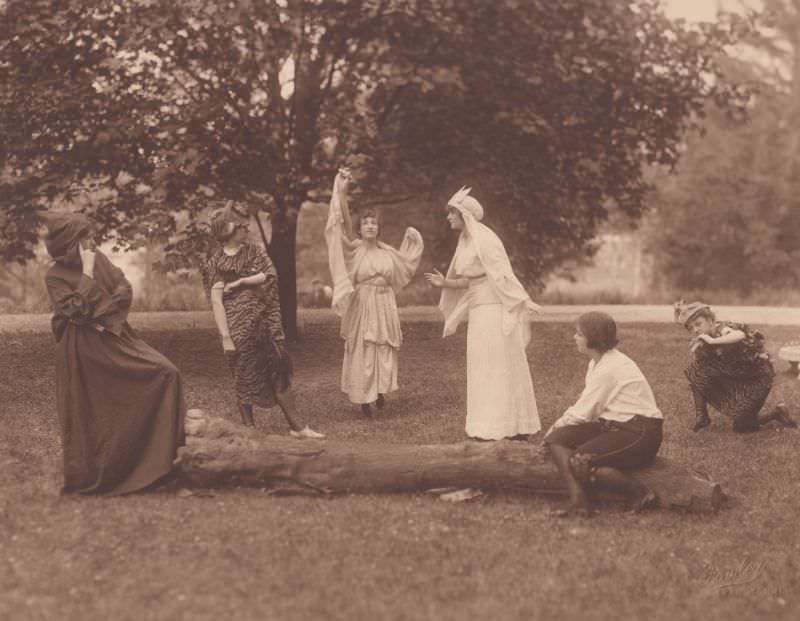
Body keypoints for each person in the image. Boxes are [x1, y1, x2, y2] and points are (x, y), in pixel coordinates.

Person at [42, 211, 185, 495]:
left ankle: (161, 468)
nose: (92, 242)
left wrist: (96, 306)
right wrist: (86, 275)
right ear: (71, 243)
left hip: (116, 337)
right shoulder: (54, 275)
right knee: (92, 411)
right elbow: (74, 311)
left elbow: (124, 290)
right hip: (81, 351)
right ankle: (103, 473)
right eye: (86, 238)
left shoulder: (101, 259)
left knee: (167, 373)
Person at [424, 187, 541, 440]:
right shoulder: (465, 240)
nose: (448, 218)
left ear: (463, 214)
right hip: (479, 312)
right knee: (482, 367)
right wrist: (445, 283)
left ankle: (511, 427)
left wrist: (520, 300)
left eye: (451, 213)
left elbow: (501, 275)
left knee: (499, 366)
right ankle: (486, 426)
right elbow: (470, 281)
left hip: (494, 310)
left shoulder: (485, 240)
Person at [202, 204, 324, 438]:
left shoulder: (254, 251)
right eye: (241, 226)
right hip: (238, 329)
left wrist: (241, 283)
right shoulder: (216, 261)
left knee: (279, 368)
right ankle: (249, 429)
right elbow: (217, 301)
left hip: (266, 324)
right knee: (243, 374)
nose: (246, 228)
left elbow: (270, 275)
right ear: (228, 230)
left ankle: (298, 427)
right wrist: (226, 337)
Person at [544, 312, 663, 517]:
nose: (575, 337)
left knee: (580, 459)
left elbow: (582, 413)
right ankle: (580, 500)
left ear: (593, 338)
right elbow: (589, 409)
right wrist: (557, 432)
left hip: (640, 433)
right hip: (616, 426)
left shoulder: (610, 367)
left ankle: (641, 493)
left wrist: (554, 427)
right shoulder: (597, 363)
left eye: (579, 334)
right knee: (558, 439)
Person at [325, 168, 424, 416]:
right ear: (360, 229)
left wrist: (414, 242)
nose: (370, 226)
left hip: (385, 303)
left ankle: (379, 390)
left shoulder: (387, 252)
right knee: (363, 349)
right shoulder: (356, 248)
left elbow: (406, 265)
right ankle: (364, 400)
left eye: (374, 223)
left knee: (383, 347)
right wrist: (342, 191)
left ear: (379, 228)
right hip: (363, 303)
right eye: (365, 223)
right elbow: (344, 221)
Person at [674, 300, 796, 432]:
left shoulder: (721, 328)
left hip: (758, 379)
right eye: (691, 328)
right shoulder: (703, 340)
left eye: (698, 324)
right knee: (697, 370)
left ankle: (777, 412)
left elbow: (739, 334)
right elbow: (702, 372)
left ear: (710, 320)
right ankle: (702, 416)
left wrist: (713, 341)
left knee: (742, 427)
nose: (696, 330)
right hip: (738, 376)